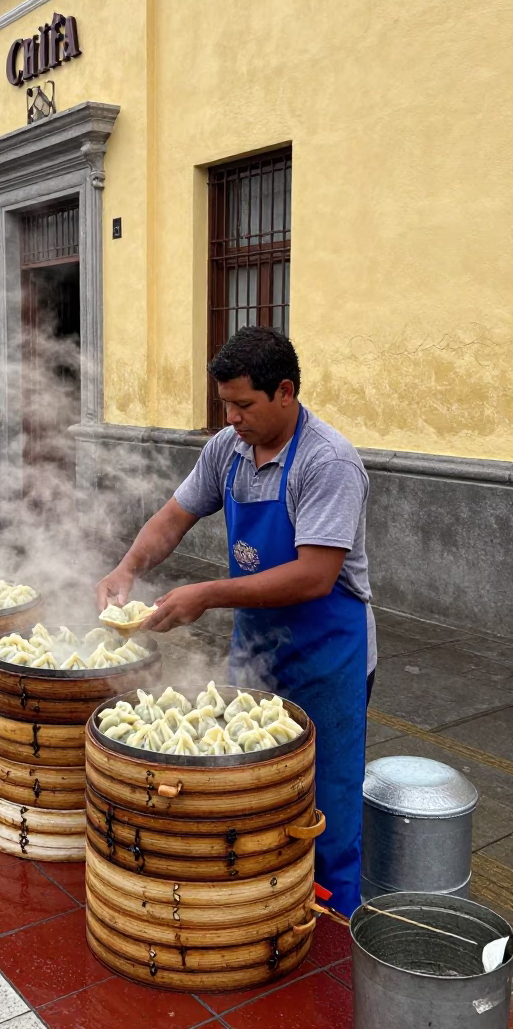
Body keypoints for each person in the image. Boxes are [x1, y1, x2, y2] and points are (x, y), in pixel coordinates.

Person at [96, 325, 376, 918]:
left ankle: (332, 930)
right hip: (258, 648)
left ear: (285, 392)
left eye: (244, 404)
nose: (232, 417)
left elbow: (314, 576)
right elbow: (173, 518)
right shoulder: (226, 451)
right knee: (247, 793)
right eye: (224, 403)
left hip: (330, 657)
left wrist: (206, 594)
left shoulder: (328, 462)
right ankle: (258, 913)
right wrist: (126, 571)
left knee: (324, 803)